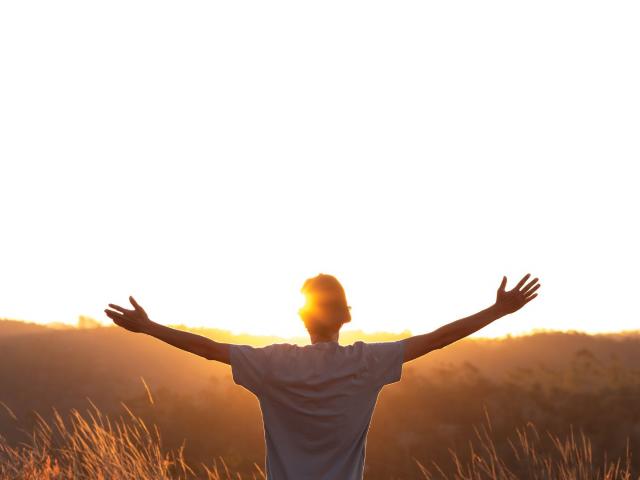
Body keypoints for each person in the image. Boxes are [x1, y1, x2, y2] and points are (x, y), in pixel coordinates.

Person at [105, 272, 540, 480]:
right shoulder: (368, 362)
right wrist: (499, 311)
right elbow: (440, 338)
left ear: (301, 317)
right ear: (348, 316)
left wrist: (148, 327)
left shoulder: (272, 365)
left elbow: (206, 348)